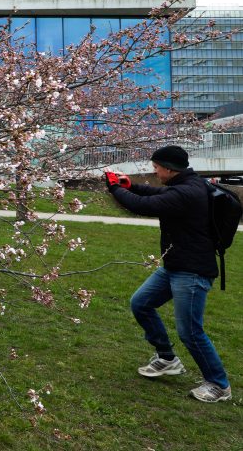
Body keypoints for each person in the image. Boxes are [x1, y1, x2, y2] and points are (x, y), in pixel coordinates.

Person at [105, 144, 232, 403]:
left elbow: (144, 206)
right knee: (141, 304)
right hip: (176, 266)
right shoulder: (186, 184)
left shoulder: (188, 192)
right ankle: (167, 358)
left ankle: (219, 385)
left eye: (156, 168)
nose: (155, 172)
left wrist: (115, 188)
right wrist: (130, 185)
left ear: (169, 169)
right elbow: (155, 193)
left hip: (192, 271)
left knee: (190, 331)